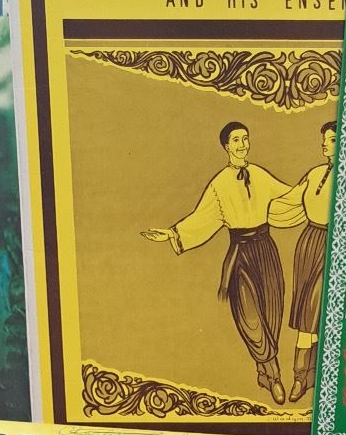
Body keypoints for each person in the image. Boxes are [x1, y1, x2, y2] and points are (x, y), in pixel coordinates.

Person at [142, 121, 294, 405]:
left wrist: (319, 190)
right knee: (250, 319)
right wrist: (172, 234)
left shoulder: (260, 175)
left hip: (267, 251)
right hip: (241, 255)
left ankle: (263, 372)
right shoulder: (219, 184)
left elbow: (291, 196)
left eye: (245, 138)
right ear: (226, 146)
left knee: (272, 314)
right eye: (236, 140)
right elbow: (202, 218)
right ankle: (274, 376)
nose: (242, 144)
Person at [272, 121, 336, 402]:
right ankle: (301, 377)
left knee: (316, 312)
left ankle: (311, 376)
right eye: (324, 139)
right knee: (304, 314)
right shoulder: (314, 173)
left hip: (332, 244)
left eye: (331, 140)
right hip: (308, 244)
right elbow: (290, 201)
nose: (324, 144)